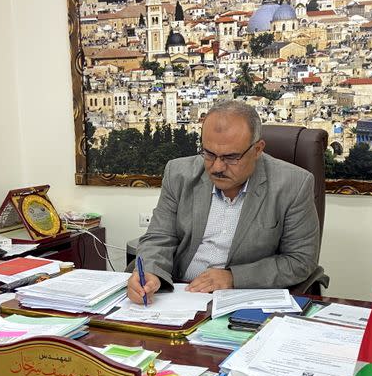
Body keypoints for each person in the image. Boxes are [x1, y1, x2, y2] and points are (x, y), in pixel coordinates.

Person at [127, 100, 320, 304]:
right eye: (209, 154)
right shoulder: (178, 174)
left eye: (231, 157)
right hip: (178, 292)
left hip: (243, 297)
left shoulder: (293, 184)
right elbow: (159, 237)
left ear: (257, 149)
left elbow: (300, 261)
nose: (217, 167)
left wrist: (233, 277)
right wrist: (151, 272)